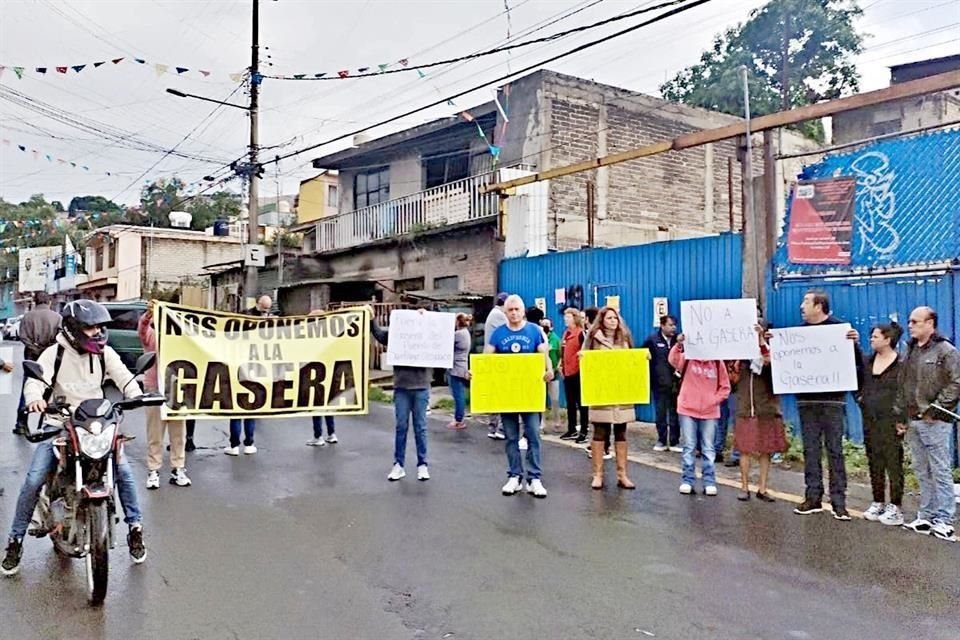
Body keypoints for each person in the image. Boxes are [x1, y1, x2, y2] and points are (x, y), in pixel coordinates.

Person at [2, 301, 148, 576]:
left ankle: (135, 529)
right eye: (90, 327)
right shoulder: (53, 353)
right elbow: (36, 381)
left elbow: (124, 378)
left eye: (100, 327)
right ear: (72, 329)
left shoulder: (104, 354)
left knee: (124, 472)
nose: (97, 333)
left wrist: (136, 395)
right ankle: (15, 541)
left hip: (97, 425)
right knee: (33, 479)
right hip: (60, 424)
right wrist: (34, 399)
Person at [790, 290, 862, 521]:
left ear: (819, 306)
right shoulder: (796, 335)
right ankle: (813, 496)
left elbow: (857, 364)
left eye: (806, 302)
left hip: (832, 400)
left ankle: (839, 501)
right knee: (810, 450)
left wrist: (854, 343)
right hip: (806, 400)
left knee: (835, 450)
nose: (802, 306)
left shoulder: (840, 330)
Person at [895, 307, 959, 542]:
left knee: (940, 470)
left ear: (930, 323)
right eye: (910, 321)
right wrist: (900, 416)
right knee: (922, 470)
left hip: (936, 421)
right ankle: (927, 515)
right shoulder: (910, 350)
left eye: (915, 322)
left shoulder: (946, 350)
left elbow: (956, 382)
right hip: (914, 419)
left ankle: (944, 520)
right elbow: (904, 385)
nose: (910, 325)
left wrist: (937, 409)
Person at [484, 294, 553, 498]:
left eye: (517, 309)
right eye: (510, 310)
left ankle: (534, 478)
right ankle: (514, 476)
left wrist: (548, 371)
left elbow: (544, 355)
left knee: (533, 433)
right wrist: (476, 373)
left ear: (523, 311)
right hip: (507, 394)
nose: (514, 313)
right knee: (511, 436)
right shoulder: (498, 333)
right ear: (505, 312)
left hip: (529, 393)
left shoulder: (534, 331)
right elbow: (487, 359)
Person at [371, 307, 431, 482]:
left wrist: (427, 317)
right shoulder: (396, 334)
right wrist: (371, 319)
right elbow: (380, 335)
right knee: (401, 427)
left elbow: (442, 336)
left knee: (420, 427)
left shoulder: (427, 334)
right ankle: (399, 465)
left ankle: (422, 465)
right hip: (402, 386)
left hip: (421, 386)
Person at [668, 332, 731, 496]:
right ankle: (687, 479)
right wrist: (679, 344)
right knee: (689, 446)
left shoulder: (717, 363)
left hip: (710, 411)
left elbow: (725, 387)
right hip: (687, 408)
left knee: (708, 447)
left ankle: (709, 480)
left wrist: (714, 400)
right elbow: (673, 360)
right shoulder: (687, 358)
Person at [138, 300, 191, 489]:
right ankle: (154, 470)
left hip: (176, 390)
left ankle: (178, 468)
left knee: (178, 434)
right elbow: (142, 329)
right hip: (154, 389)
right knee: (155, 433)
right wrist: (148, 315)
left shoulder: (181, 338)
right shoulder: (151, 336)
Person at [857, 322, 906, 525]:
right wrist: (860, 399)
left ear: (888, 339)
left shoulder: (901, 364)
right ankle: (878, 500)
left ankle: (895, 506)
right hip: (870, 419)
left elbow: (904, 392)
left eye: (876, 336)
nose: (872, 339)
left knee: (893, 462)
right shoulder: (868, 362)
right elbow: (857, 383)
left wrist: (901, 419)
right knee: (874, 460)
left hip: (891, 421)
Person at [583, 307, 636, 491]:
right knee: (600, 431)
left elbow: (632, 361)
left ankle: (622, 474)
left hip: (621, 392)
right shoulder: (593, 338)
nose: (613, 321)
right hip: (602, 391)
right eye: (609, 318)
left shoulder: (625, 338)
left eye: (615, 317)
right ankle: (597, 474)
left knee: (621, 431)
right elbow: (585, 359)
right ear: (602, 320)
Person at [733, 323, 787, 502]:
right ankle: (744, 486)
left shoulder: (773, 351)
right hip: (746, 406)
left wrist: (762, 342)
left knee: (766, 449)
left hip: (767, 407)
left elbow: (771, 362)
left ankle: (763, 488)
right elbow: (731, 376)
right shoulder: (740, 356)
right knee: (745, 448)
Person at [226, 296, 274, 456]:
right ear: (260, 305)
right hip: (249, 367)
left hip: (248, 368)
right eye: (265, 309)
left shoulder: (245, 317)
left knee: (241, 409)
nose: (267, 312)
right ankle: (245, 444)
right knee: (247, 409)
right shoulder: (251, 318)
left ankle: (239, 445)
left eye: (268, 309)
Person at [14, 292, 61, 435]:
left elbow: (23, 337)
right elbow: (60, 337)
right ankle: (47, 422)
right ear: (49, 302)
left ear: (35, 302)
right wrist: (47, 350)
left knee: (29, 388)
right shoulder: (57, 317)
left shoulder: (27, 317)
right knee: (50, 389)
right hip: (52, 359)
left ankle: (21, 423)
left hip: (31, 357)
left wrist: (35, 349)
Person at [643, 315, 681, 453]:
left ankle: (675, 441)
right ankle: (661, 440)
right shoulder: (652, 340)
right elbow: (643, 356)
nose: (673, 328)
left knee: (674, 413)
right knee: (660, 414)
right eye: (670, 325)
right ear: (662, 325)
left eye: (674, 325)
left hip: (676, 383)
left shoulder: (679, 341)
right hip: (659, 384)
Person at [559, 307, 589, 441]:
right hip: (567, 372)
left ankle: (583, 430)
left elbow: (585, 352)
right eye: (565, 316)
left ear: (575, 318)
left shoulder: (581, 334)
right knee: (570, 403)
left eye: (568, 317)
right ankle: (571, 429)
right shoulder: (566, 334)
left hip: (578, 373)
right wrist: (561, 363)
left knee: (581, 403)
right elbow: (564, 351)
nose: (565, 319)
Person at [483, 293, 509, 440]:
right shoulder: (499, 316)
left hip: (492, 357)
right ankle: (500, 428)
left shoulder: (493, 314)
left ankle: (493, 427)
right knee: (502, 395)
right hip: (498, 358)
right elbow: (510, 328)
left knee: (495, 395)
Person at [447, 313, 472, 430]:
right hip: (462, 366)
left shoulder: (458, 334)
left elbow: (445, 343)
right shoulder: (466, 333)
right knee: (460, 394)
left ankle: (458, 420)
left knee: (458, 395)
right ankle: (459, 418)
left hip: (456, 368)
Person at [541, 318, 562, 432]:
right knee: (541, 399)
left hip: (554, 373)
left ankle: (557, 421)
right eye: (543, 324)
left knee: (554, 399)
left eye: (547, 325)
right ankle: (542, 422)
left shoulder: (555, 339)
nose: (545, 326)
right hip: (541, 373)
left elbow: (560, 355)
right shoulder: (539, 338)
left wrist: (557, 367)